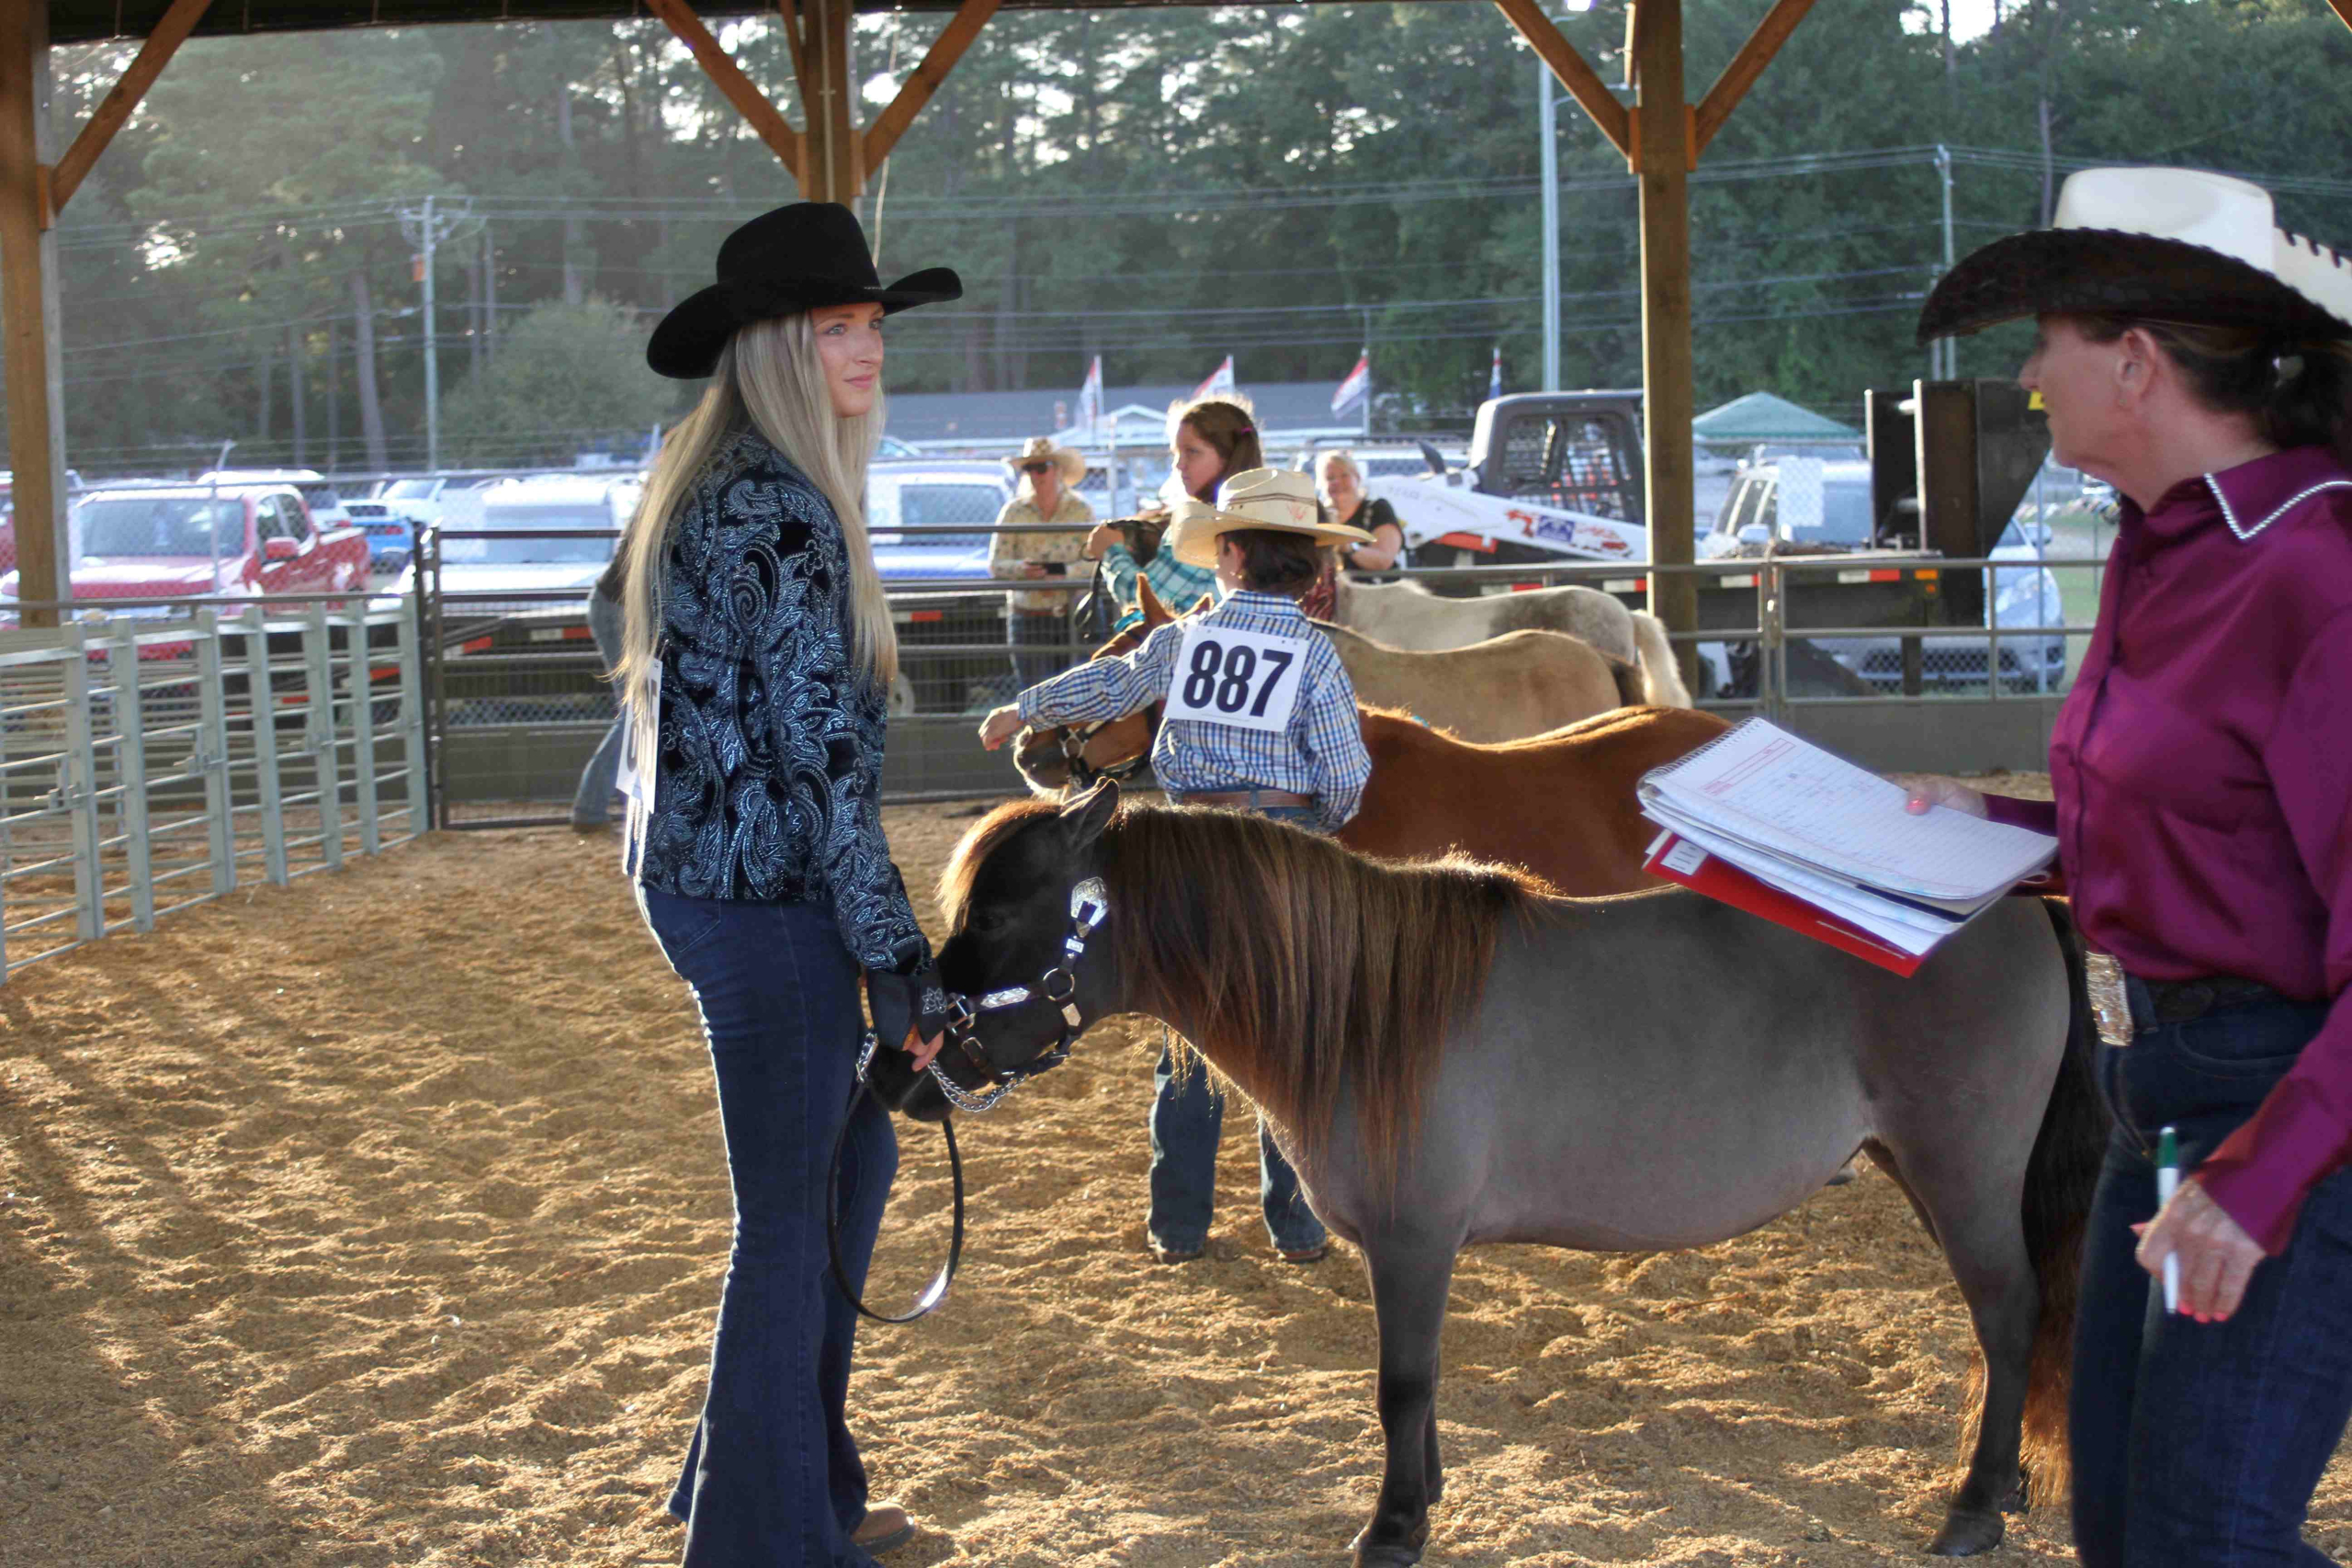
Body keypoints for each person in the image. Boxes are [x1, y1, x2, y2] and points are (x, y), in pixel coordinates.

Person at [1907, 166, 2352, 1568]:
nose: (2031, 374)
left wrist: (2265, 1172)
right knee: (2132, 1530)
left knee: (2202, 1539)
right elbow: (2209, 830)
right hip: (2155, 1085)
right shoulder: (2172, 550)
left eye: (2047, 340)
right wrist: (1976, 825)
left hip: (2290, 1103)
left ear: (2137, 362)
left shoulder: (2315, 574)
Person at [623, 200, 959, 1568]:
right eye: (841, 327)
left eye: (874, 322)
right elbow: (825, 767)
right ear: (778, 346)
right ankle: (763, 1533)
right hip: (767, 907)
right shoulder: (781, 512)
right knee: (794, 1218)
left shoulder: (717, 485)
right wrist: (901, 959)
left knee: (838, 1182)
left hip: (720, 885)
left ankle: (785, 1486)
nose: (869, 346)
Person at [978, 468, 1376, 1265]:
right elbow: (1346, 780)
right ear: (1304, 564)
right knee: (1288, 1040)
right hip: (1281, 863)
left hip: (1188, 856)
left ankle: (1179, 1225)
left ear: (1228, 556)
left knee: (1191, 1039)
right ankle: (1295, 1225)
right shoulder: (1317, 657)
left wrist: (1025, 708)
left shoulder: (1184, 639)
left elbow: (1110, 681)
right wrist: (1310, 832)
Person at [1081, 395, 1255, 629]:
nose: (1179, 464)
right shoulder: (1260, 513)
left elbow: (1144, 602)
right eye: (1176, 452)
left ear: (1227, 456)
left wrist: (1111, 552)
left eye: (1192, 452)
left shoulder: (1200, 524)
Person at [989, 436, 1094, 689]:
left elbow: (1096, 561)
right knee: (1033, 696)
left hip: (1073, 617)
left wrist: (1065, 574)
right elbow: (996, 564)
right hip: (1028, 618)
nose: (1036, 475)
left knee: (1077, 697)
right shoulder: (1012, 512)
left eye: (1042, 467)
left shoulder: (1081, 510)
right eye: (1029, 468)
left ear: (1058, 470)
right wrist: (1022, 570)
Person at [1299, 448, 1407, 620]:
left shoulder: (1377, 509)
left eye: (1344, 475)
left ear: (1357, 477)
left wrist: (1347, 546)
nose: (1337, 482)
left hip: (1379, 605)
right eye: (1330, 478)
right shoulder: (1316, 515)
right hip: (1328, 607)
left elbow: (1383, 561)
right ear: (1321, 484)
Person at [570, 545, 629, 830]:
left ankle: (600, 808)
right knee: (637, 714)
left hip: (617, 606)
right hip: (621, 609)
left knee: (638, 713)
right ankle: (590, 809)